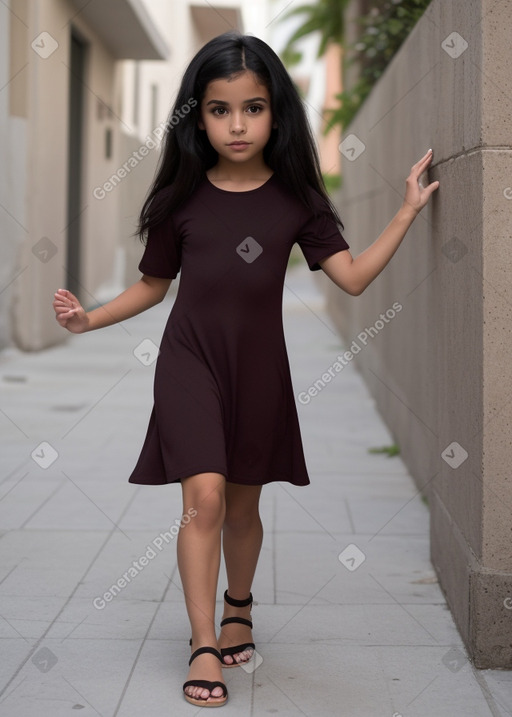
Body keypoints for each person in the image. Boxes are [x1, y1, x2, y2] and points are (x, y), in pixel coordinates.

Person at [53, 31, 439, 708]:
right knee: (202, 497)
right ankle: (205, 640)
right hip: (188, 363)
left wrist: (406, 211)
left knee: (242, 507)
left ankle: (239, 603)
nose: (237, 124)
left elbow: (348, 278)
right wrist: (90, 318)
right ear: (197, 117)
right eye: (220, 109)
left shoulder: (297, 200)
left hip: (260, 371)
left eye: (253, 108)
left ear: (275, 113)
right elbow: (153, 285)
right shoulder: (181, 199)